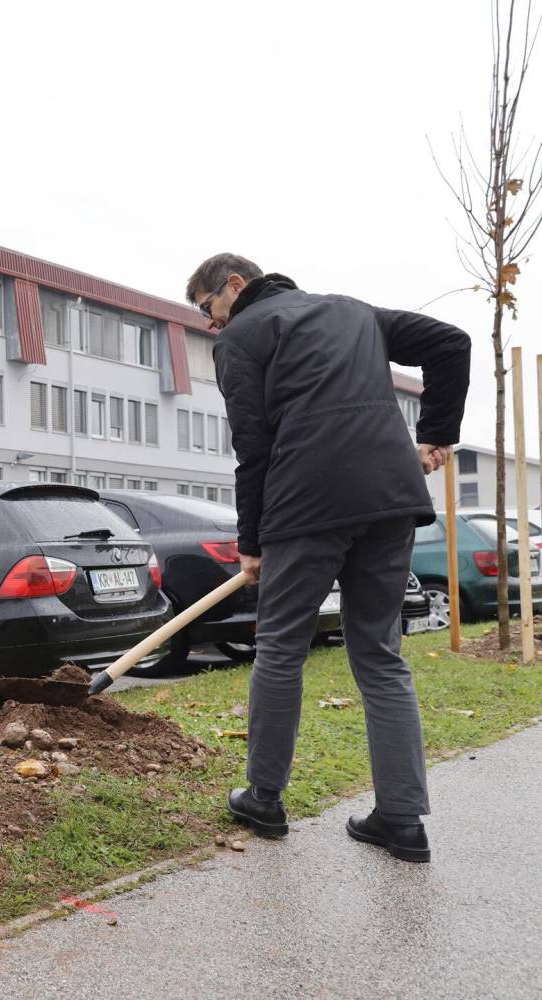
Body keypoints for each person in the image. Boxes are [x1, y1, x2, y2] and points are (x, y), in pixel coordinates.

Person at [186, 254, 469, 863]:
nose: (211, 325)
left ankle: (263, 798)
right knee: (380, 652)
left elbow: (252, 445)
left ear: (234, 285)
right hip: (391, 498)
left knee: (282, 648)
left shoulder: (241, 337)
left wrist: (253, 541)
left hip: (305, 502)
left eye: (207, 310)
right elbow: (451, 342)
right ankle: (401, 819)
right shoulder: (353, 311)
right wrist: (437, 433)